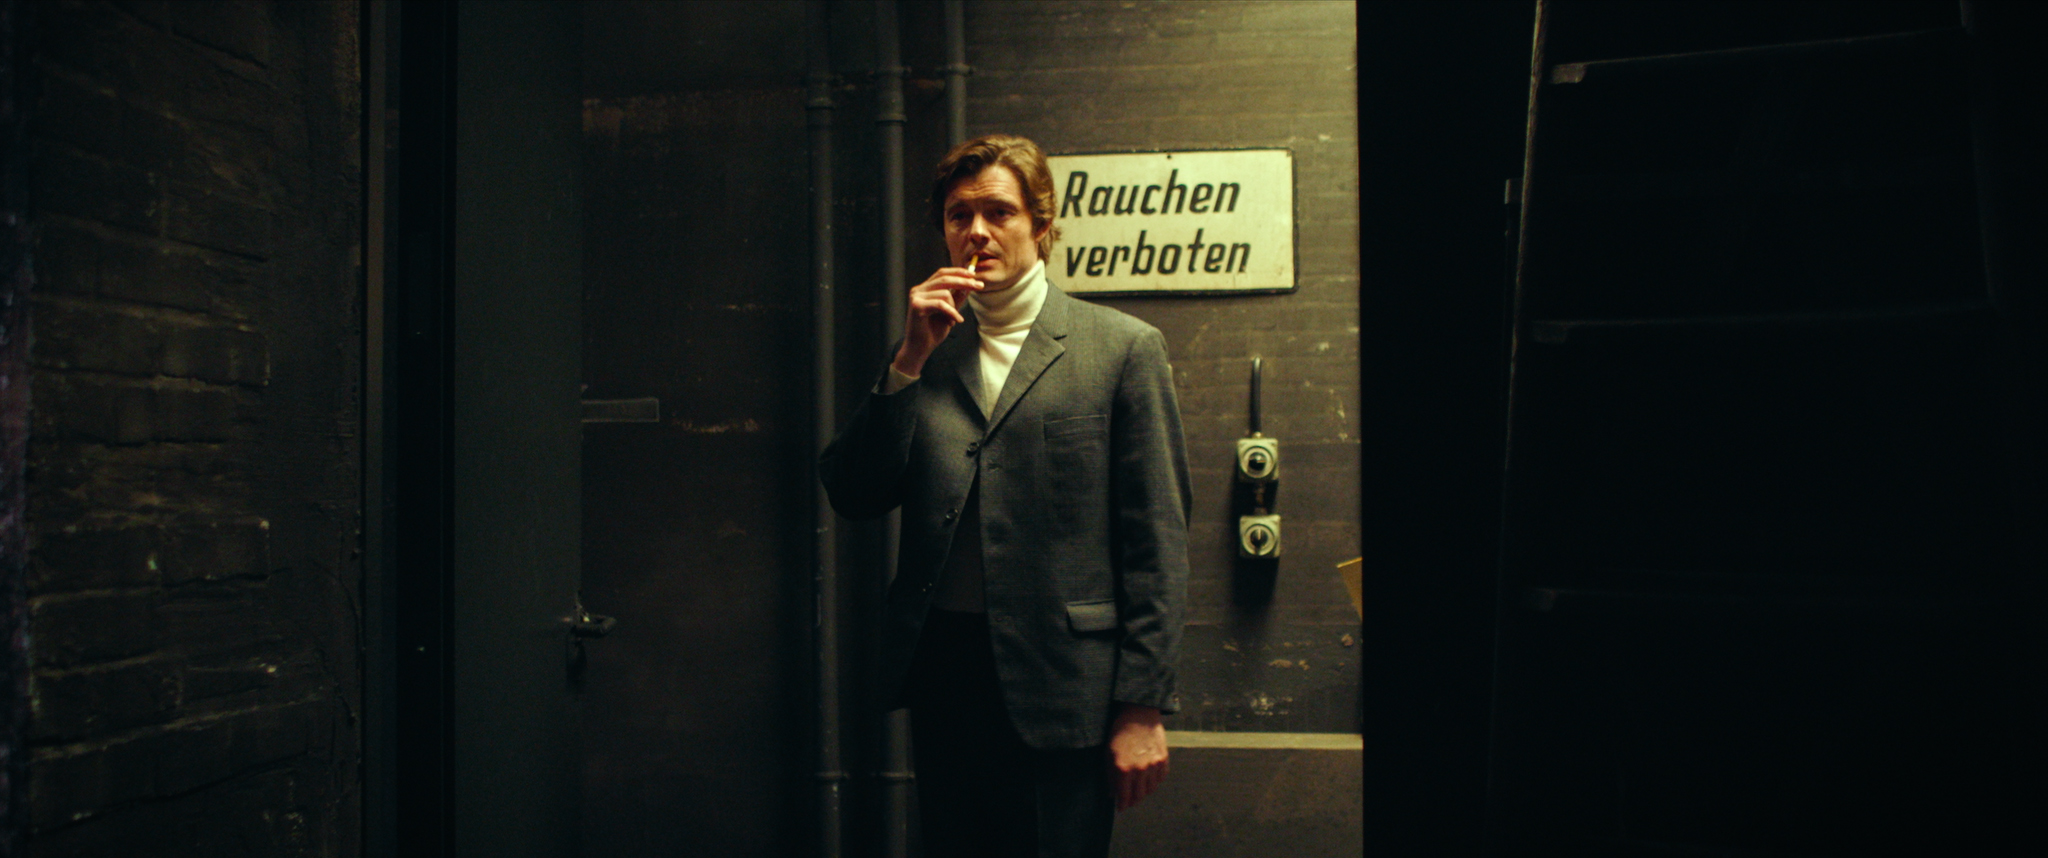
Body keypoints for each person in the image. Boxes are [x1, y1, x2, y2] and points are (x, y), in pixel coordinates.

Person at [820, 134, 1191, 857]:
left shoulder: (1122, 349)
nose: (977, 232)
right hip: (946, 677)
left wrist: (1143, 704)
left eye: (999, 212)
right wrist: (908, 360)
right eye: (959, 215)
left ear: (1041, 225)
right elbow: (855, 493)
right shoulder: (926, 351)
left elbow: (1157, 541)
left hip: (1066, 682)